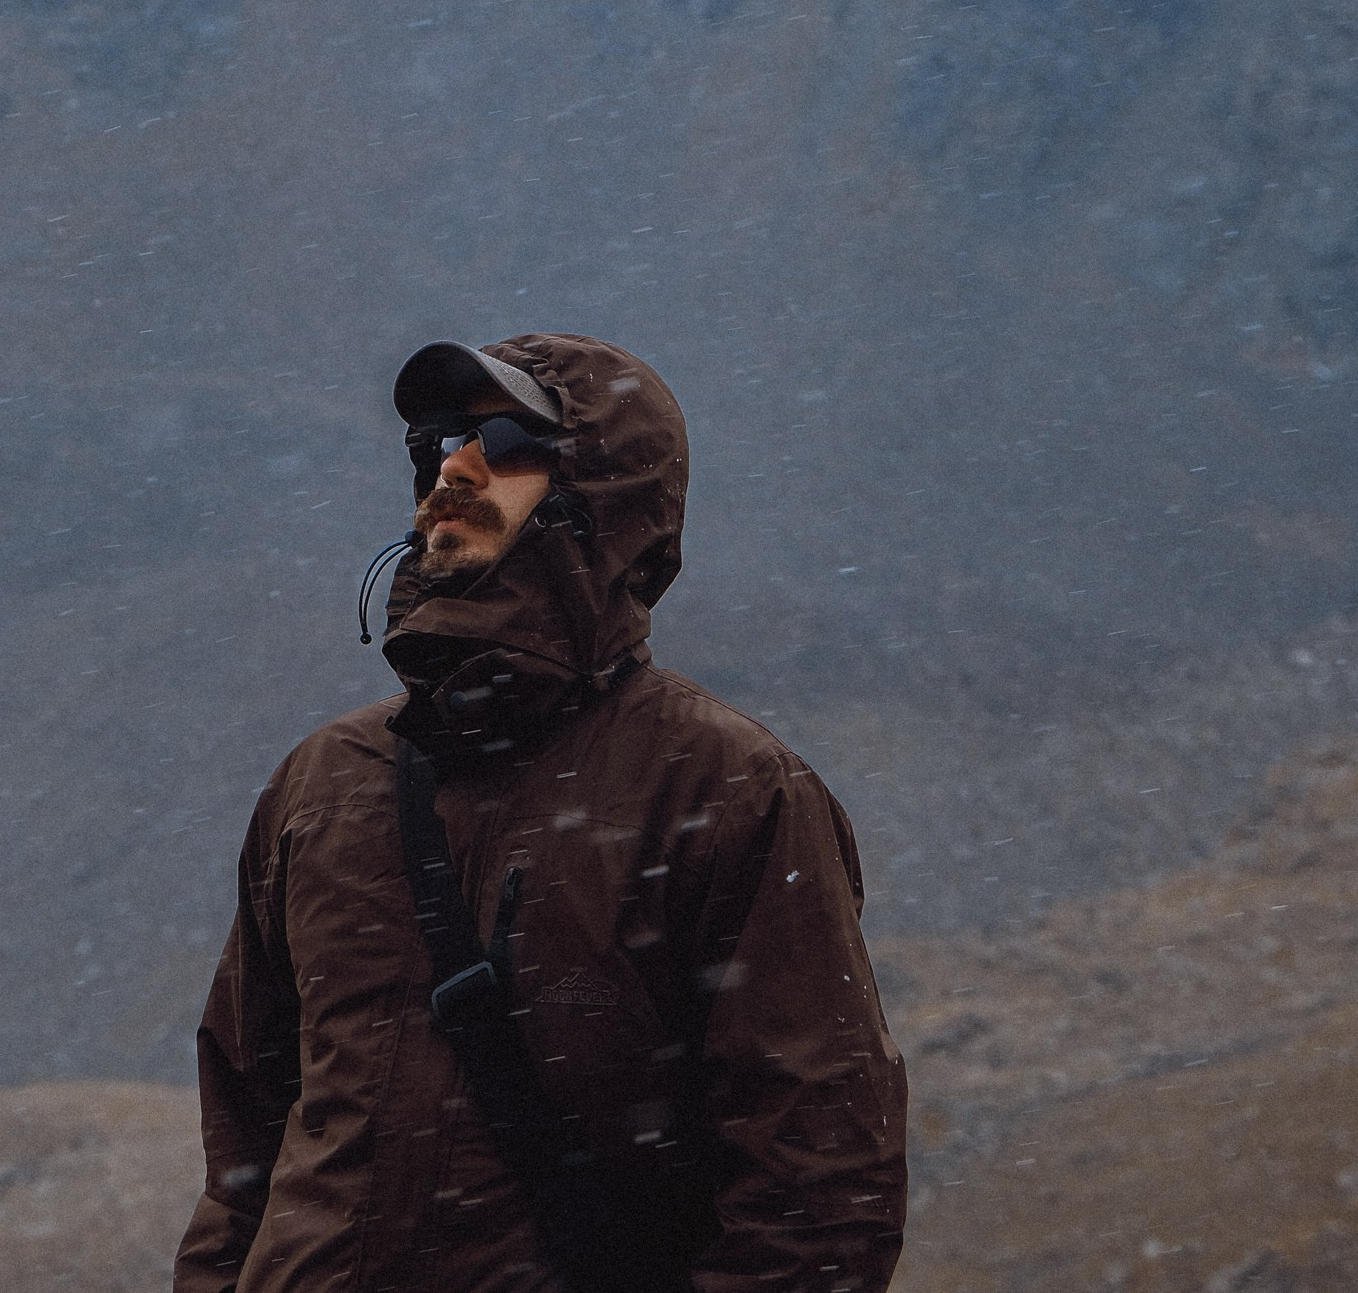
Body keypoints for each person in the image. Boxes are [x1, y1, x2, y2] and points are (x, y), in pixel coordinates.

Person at [173, 332, 907, 1293]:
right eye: (435, 441)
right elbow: (244, 1156)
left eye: (508, 440)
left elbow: (819, 1202)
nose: (454, 467)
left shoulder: (724, 790)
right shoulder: (325, 785)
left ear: (602, 493)